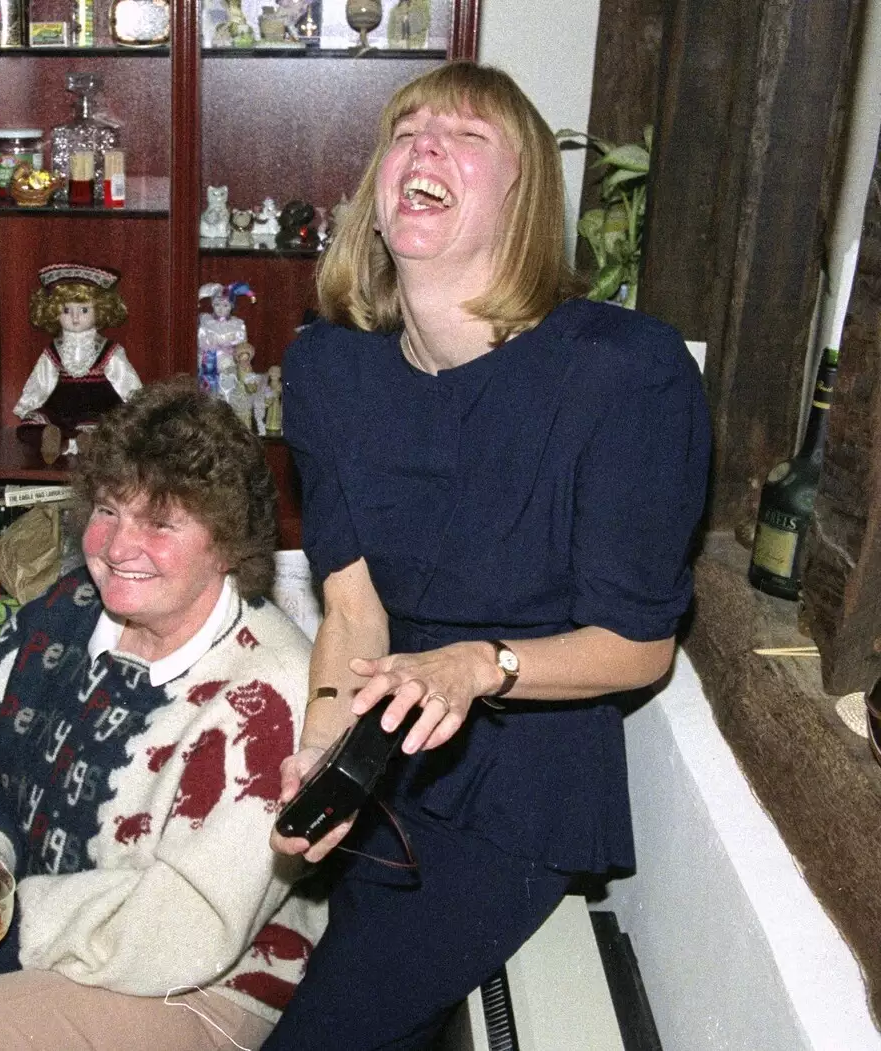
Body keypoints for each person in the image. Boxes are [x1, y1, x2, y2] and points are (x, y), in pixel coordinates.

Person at [265, 62, 710, 1050]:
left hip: (520, 783)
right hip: (386, 754)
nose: (424, 146)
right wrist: (325, 742)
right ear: (377, 197)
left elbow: (638, 647)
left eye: (466, 137)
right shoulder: (327, 365)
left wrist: (480, 664)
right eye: (408, 130)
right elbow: (353, 614)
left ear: (523, 201)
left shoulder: (624, 374)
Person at [0, 378, 328, 1051]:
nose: (117, 545)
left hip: (201, 982)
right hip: (54, 932)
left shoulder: (271, 688)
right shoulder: (68, 607)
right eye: (107, 509)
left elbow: (189, 923)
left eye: (159, 521)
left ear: (225, 542)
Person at [12, 262, 142, 436]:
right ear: (53, 311)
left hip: (100, 408)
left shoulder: (108, 350)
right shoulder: (54, 351)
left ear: (100, 310)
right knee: (32, 426)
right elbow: (41, 381)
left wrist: (139, 407)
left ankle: (87, 442)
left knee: (107, 428)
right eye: (66, 310)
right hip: (62, 409)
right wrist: (29, 405)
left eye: (84, 310)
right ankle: (53, 440)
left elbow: (126, 381)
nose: (75, 318)